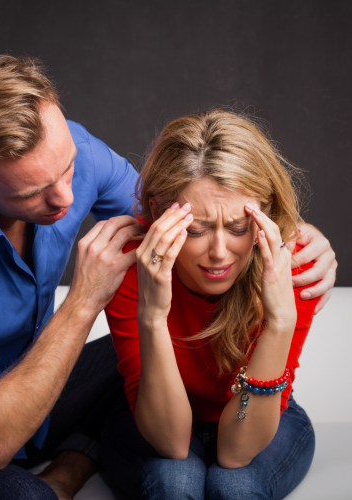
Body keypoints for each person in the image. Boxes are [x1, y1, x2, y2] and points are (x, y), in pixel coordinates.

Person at [0, 55, 335, 500]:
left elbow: (174, 209)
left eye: (68, 167)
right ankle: (77, 462)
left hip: (43, 389)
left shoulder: (70, 150)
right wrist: (84, 300)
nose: (67, 196)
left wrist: (293, 232)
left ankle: (75, 458)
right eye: (35, 193)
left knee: (140, 347)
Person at [101, 109, 327, 500]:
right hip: (155, 414)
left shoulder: (294, 264)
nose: (219, 253)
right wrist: (153, 317)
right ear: (156, 211)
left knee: (235, 485)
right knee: (175, 482)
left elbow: (236, 452)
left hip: (262, 412)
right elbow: (171, 442)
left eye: (239, 228)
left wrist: (279, 322)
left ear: (266, 211)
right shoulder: (130, 263)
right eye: (196, 230)